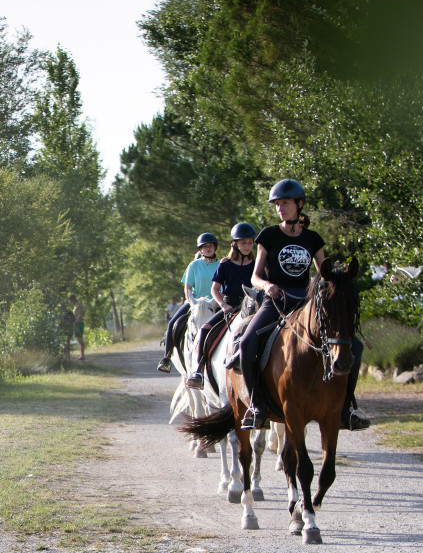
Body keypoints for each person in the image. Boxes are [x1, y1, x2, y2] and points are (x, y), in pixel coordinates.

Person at [238, 179, 370, 431]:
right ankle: (257, 406)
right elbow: (254, 276)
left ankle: (346, 409)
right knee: (247, 343)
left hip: (307, 303)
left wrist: (340, 281)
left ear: (299, 204)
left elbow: (325, 275)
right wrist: (266, 286)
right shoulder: (268, 235)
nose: (280, 208)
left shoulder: (313, 239)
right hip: (276, 302)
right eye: (277, 204)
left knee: (356, 346)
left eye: (285, 203)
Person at [185, 222, 256, 389]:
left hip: (252, 308)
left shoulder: (256, 263)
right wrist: (223, 305)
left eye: (250, 242)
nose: (247, 246)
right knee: (204, 329)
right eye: (243, 242)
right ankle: (199, 371)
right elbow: (214, 289)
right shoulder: (225, 263)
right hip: (229, 306)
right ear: (235, 244)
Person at [158, 233, 220, 373]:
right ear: (200, 249)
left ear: (214, 247)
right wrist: (193, 304)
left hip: (215, 302)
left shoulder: (221, 264)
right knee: (174, 322)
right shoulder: (193, 265)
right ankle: (166, 358)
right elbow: (187, 288)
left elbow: (223, 287)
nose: (208, 249)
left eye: (210, 246)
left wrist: (215, 303)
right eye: (205, 247)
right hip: (195, 302)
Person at [69, 293, 87, 361]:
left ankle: (82, 355)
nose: (70, 302)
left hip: (79, 323)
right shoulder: (75, 306)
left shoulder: (79, 305)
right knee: (78, 338)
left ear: (73, 299)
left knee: (80, 338)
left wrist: (79, 318)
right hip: (76, 323)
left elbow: (84, 310)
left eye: (70, 300)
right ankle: (81, 355)